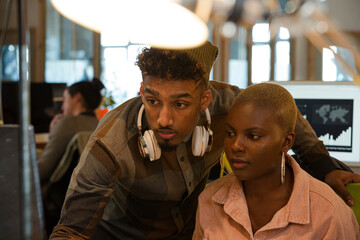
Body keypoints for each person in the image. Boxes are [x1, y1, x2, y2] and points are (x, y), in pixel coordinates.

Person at [50, 41, 360, 240]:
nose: (164, 119)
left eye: (181, 104)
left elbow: (281, 113)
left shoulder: (229, 103)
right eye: (152, 100)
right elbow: (71, 230)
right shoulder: (112, 141)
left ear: (205, 99)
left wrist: (322, 165)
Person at [192, 83, 359, 239]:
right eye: (229, 134)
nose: (235, 146)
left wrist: (326, 166)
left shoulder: (328, 213)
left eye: (254, 136)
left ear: (286, 142)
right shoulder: (210, 201)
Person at [37, 77, 105, 183]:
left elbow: (42, 171)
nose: (62, 107)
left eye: (65, 99)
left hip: (55, 195)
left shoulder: (66, 123)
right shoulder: (100, 125)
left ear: (77, 97)